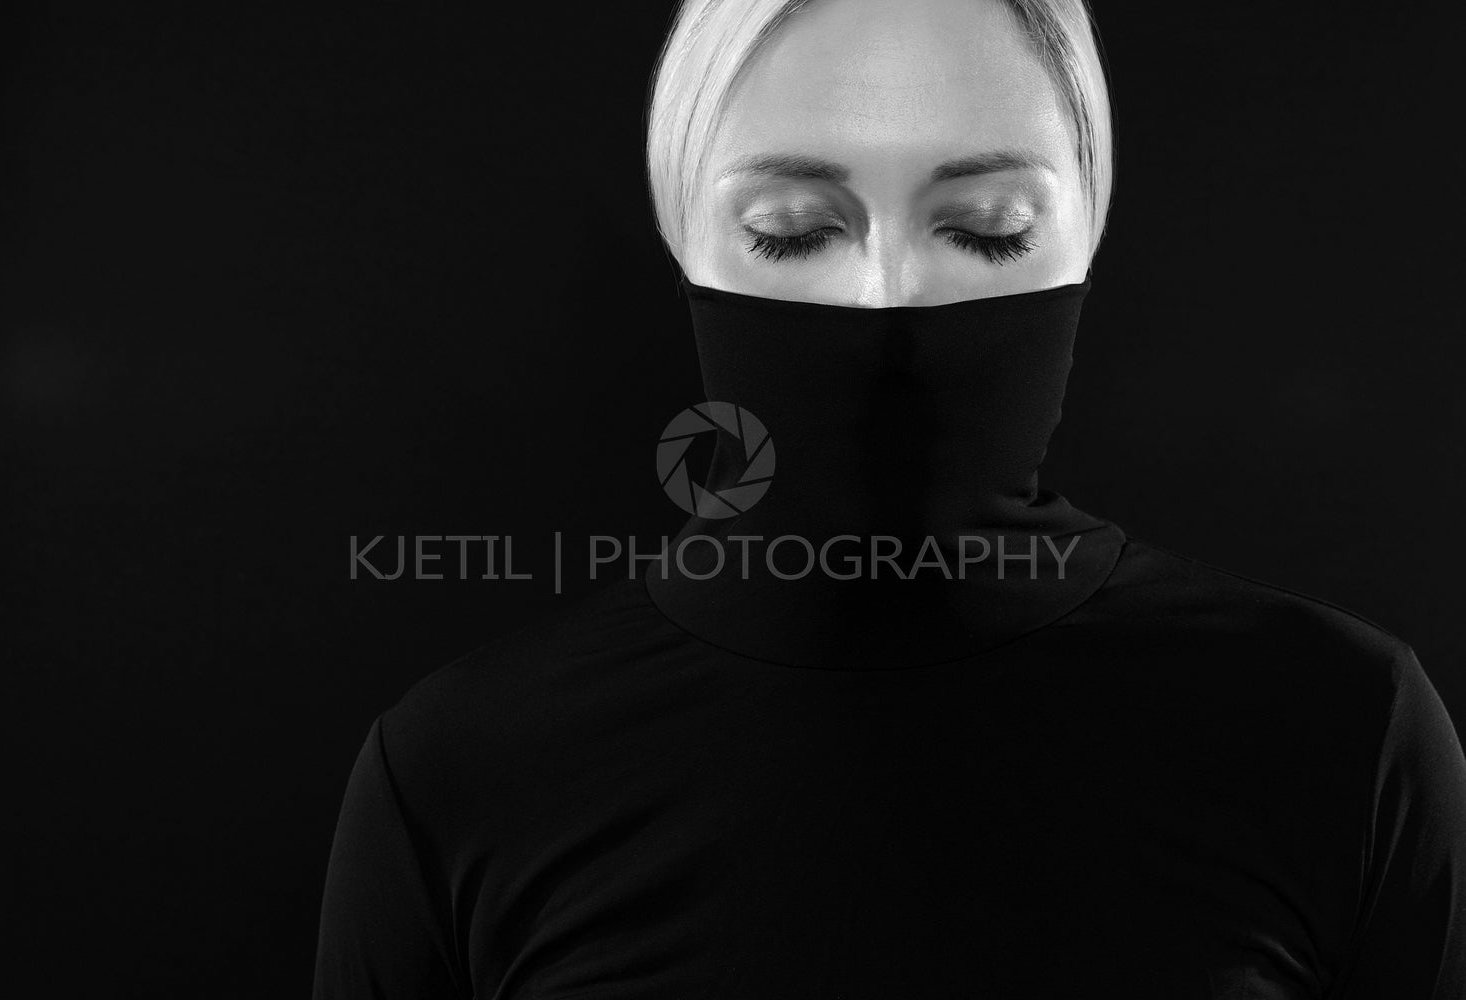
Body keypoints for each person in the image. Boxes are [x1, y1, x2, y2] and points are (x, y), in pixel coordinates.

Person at [312, 0, 1466, 996]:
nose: (884, 300)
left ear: (1087, 227)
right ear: (685, 238)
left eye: (983, 229)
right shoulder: (460, 776)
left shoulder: (1340, 734)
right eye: (793, 233)